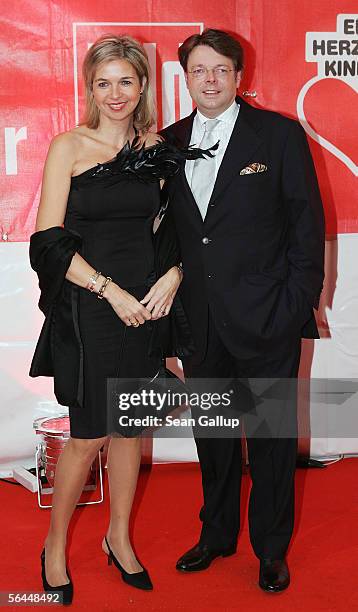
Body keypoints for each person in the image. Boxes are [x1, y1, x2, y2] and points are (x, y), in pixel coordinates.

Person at [29, 34, 205, 603]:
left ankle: (118, 539)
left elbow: (178, 234)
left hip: (145, 309)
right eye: (103, 82)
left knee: (132, 431)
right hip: (90, 306)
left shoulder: (157, 149)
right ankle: (54, 546)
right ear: (89, 87)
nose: (115, 93)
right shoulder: (69, 146)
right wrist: (108, 291)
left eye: (125, 81)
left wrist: (171, 277)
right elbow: (47, 242)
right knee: (87, 436)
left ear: (143, 85)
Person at [161, 28, 325, 592]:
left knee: (272, 439)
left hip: (267, 317)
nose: (209, 79)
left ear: (239, 77)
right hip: (200, 320)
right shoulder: (169, 141)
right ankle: (216, 534)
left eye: (220, 69)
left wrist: (295, 302)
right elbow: (169, 239)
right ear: (186, 78)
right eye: (198, 70)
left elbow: (307, 227)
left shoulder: (277, 136)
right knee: (214, 434)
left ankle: (272, 548)